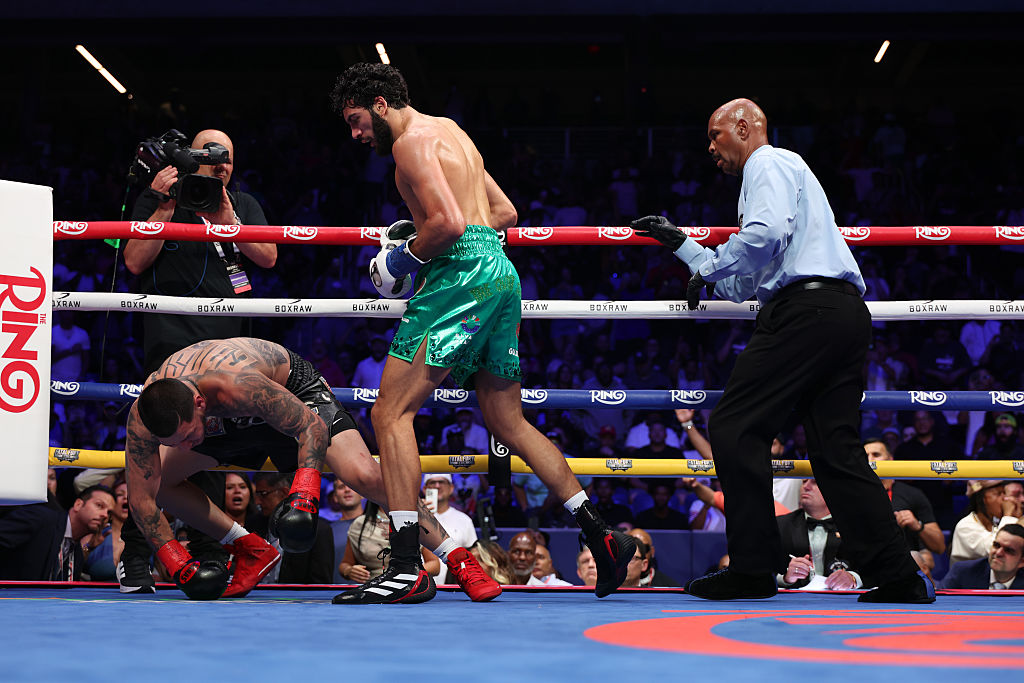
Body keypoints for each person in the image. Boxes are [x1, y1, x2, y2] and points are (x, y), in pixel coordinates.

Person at [329, 62, 634, 603]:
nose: (355, 135)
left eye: (355, 120)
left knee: (389, 413)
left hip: (459, 277)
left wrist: (399, 258)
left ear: (379, 104)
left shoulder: (409, 144)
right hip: (499, 271)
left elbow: (447, 225)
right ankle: (601, 533)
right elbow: (504, 212)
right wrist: (450, 243)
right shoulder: (451, 130)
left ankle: (405, 566)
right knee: (507, 420)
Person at [633, 98, 930, 603]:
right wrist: (683, 245)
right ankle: (899, 576)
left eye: (715, 136)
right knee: (836, 451)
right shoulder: (784, 179)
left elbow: (761, 237)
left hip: (805, 313)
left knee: (734, 426)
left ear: (743, 126)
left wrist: (709, 267)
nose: (711, 149)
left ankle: (752, 569)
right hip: (839, 313)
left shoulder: (767, 162)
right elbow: (743, 282)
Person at [123, 337, 498, 601]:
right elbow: (140, 499)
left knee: (364, 475)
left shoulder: (237, 385)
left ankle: (459, 559)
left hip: (295, 398)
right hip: (227, 422)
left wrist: (304, 494)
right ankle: (249, 547)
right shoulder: (144, 416)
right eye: (177, 441)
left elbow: (311, 428)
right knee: (163, 483)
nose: (187, 445)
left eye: (189, 435)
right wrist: (177, 562)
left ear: (200, 403)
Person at [119, 129, 277, 593]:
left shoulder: (242, 204)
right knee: (153, 453)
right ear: (191, 158)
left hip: (227, 351)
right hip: (170, 347)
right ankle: (136, 555)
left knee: (206, 451)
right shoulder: (159, 197)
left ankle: (210, 555)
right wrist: (164, 207)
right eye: (210, 156)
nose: (220, 164)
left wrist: (228, 219)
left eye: (227, 157)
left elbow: (268, 256)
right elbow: (133, 261)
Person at [0, 486, 114, 581]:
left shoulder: (78, 551)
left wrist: (88, 548)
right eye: (99, 505)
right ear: (78, 505)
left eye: (109, 512)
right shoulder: (41, 519)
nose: (105, 515)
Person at [777, 479, 863, 591]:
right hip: (794, 600)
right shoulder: (780, 525)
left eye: (815, 482)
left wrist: (854, 578)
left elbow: (874, 568)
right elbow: (764, 571)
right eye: (804, 481)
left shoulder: (857, 526)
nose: (806, 487)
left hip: (844, 599)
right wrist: (786, 578)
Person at [863, 439, 946, 555]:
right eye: (865, 456)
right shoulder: (853, 495)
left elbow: (940, 547)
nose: (870, 460)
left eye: (876, 455)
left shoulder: (912, 494)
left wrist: (917, 525)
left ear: (890, 460)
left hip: (902, 561)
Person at [251, 471, 334, 584]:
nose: (257, 502)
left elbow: (320, 585)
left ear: (284, 493)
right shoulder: (254, 524)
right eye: (256, 495)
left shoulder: (319, 530)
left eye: (263, 494)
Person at [339, 501, 441, 583]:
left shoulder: (414, 520)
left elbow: (435, 565)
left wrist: (409, 572)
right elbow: (345, 564)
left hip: (408, 586)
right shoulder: (360, 524)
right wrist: (349, 571)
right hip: (372, 588)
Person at [422, 473, 478, 583]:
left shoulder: (464, 520)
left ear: (451, 488)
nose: (437, 486)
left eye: (442, 482)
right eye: (432, 482)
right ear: (425, 489)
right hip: (420, 585)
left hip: (456, 587)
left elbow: (473, 558)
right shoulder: (415, 517)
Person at [950, 480, 1021, 565]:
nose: (1005, 499)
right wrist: (1008, 516)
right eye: (998, 494)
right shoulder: (965, 526)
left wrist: (1018, 519)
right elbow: (996, 549)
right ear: (982, 499)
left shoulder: (996, 523)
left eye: (1004, 493)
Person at [939, 524, 1024, 589]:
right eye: (996, 545)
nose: (998, 553)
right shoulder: (962, 572)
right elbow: (940, 602)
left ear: (1022, 562)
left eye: (1008, 550)